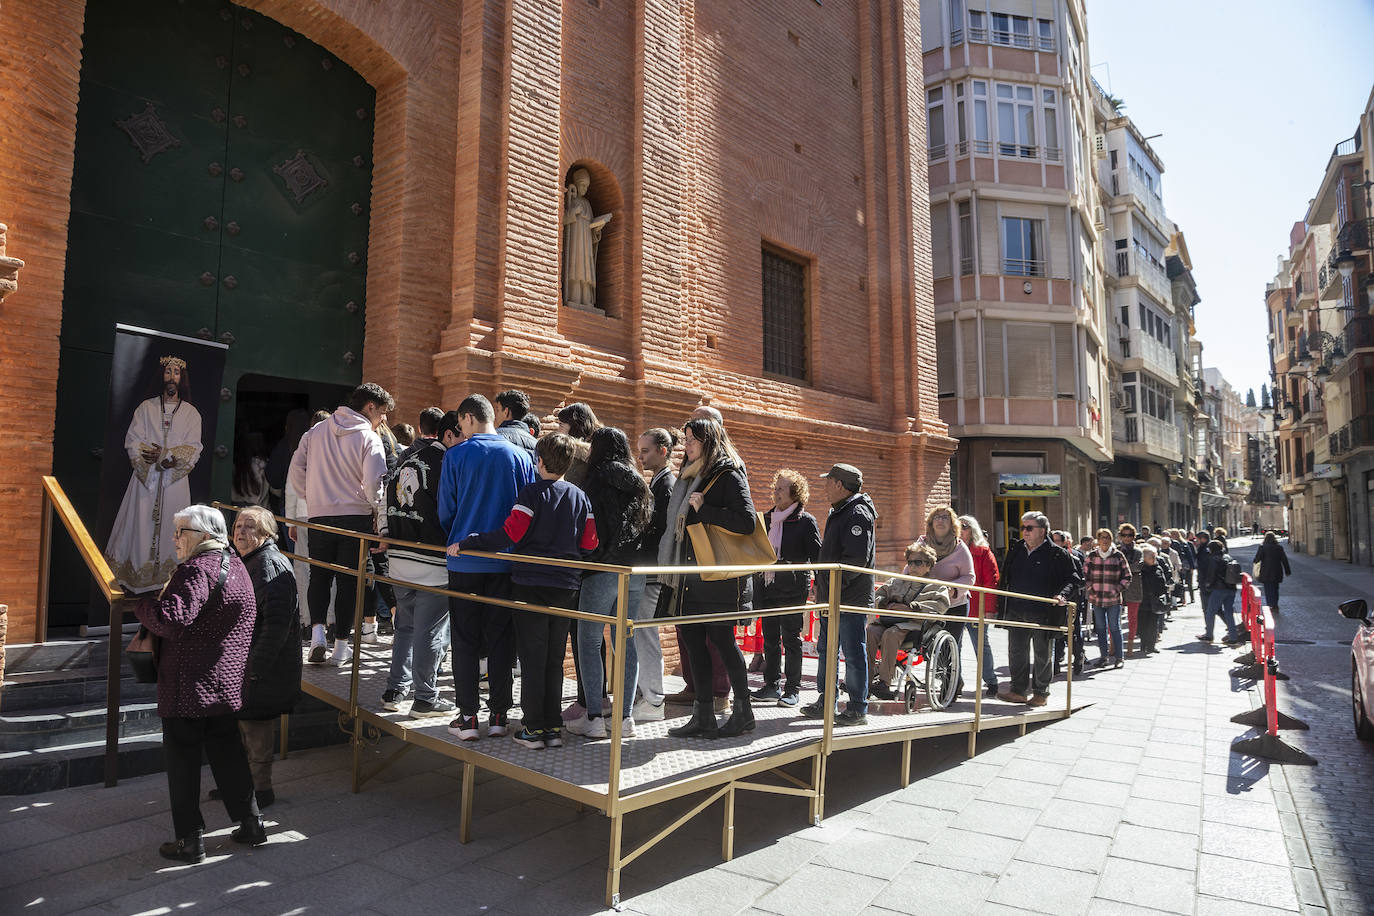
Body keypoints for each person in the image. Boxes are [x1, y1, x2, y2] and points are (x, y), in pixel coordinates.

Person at [134, 505, 267, 863]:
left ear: (205, 535)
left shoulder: (197, 569)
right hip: (225, 684)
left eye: (181, 531)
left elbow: (172, 619)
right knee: (228, 754)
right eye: (175, 531)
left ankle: (190, 841)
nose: (175, 539)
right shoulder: (236, 565)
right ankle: (252, 824)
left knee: (183, 762)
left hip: (189, 686)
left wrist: (141, 606)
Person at [456, 433, 597, 748]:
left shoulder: (531, 494)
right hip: (567, 585)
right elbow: (590, 543)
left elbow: (510, 534)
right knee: (554, 658)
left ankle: (533, 728)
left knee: (533, 657)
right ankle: (551, 727)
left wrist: (469, 542)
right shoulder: (580, 496)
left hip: (531, 584)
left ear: (540, 462)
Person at [439, 395, 537, 741]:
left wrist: (459, 533)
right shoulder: (523, 456)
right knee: (501, 638)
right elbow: (527, 512)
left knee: (464, 638)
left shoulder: (456, 455)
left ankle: (467, 717)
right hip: (506, 561)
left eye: (460, 423)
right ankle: (498, 714)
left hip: (464, 558)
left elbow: (446, 510)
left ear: (467, 418)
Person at [662, 417, 757, 739]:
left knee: (722, 642)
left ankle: (743, 712)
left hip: (718, 579)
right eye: (685, 439)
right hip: (693, 576)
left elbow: (746, 522)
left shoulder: (727, 474)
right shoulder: (691, 478)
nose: (685, 446)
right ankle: (702, 715)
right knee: (692, 641)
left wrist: (705, 509)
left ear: (709, 441)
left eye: (692, 440)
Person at [287, 383, 392, 667]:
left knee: (319, 575)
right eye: (382, 413)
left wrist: (310, 496)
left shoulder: (315, 432)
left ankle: (318, 633)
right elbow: (374, 482)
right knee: (349, 582)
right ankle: (342, 645)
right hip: (355, 517)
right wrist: (374, 504)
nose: (383, 420)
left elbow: (296, 468)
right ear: (370, 407)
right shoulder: (369, 438)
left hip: (319, 515)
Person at [568, 427, 653, 739]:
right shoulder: (639, 483)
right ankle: (625, 718)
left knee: (588, 640)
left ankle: (593, 717)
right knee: (625, 640)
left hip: (602, 568)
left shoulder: (594, 479)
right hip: (635, 572)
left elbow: (588, 525)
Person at [380, 410, 456, 719]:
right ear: (448, 435)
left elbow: (385, 498)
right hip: (432, 561)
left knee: (406, 629)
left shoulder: (406, 460)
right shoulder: (445, 464)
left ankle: (395, 689)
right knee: (430, 633)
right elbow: (451, 510)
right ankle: (425, 697)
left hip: (399, 559)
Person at [106, 356, 204, 593]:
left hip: (175, 484)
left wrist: (168, 456)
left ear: (183, 379)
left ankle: (168, 582)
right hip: (146, 482)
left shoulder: (191, 413)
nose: (172, 377)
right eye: (168, 372)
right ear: (161, 376)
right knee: (140, 524)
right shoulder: (146, 408)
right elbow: (133, 440)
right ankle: (136, 581)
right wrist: (152, 459)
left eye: (176, 373)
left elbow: (194, 447)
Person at [228, 506, 300, 809]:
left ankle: (260, 791)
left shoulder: (270, 565)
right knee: (241, 729)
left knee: (256, 731)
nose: (241, 532)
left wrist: (255, 667)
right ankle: (241, 787)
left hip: (263, 667)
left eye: (250, 527)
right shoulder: (247, 561)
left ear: (267, 533)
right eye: (238, 526)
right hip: (246, 663)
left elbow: (276, 625)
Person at [802, 463, 876, 726]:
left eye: (828, 481)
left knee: (853, 652)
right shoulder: (842, 510)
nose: (824, 487)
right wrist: (821, 586)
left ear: (839, 485)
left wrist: (832, 589)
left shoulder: (857, 513)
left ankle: (858, 707)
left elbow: (855, 560)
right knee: (826, 649)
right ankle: (827, 700)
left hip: (848, 598)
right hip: (832, 596)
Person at [751, 469, 821, 708]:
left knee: (791, 638)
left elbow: (817, 556)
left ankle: (792, 690)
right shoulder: (767, 519)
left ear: (795, 493)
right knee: (770, 638)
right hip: (768, 585)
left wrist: (820, 585)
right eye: (776, 487)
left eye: (781, 488)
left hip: (792, 586)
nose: (776, 492)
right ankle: (771, 686)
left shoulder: (805, 521)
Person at [996, 511, 1079, 706]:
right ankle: (1018, 691)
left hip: (1043, 612)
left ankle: (1041, 693)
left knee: (1042, 653)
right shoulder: (1016, 549)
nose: (1024, 531)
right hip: (1016, 608)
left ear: (1042, 531)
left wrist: (1062, 595)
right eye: (1023, 527)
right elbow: (1006, 576)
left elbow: (1073, 579)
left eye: (1029, 528)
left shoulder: (1057, 554)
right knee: (1016, 651)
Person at [631, 427, 677, 721]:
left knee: (645, 633)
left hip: (654, 571)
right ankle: (647, 695)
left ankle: (654, 699)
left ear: (663, 450)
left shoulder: (667, 485)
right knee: (640, 633)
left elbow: (660, 532)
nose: (640, 456)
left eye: (646, 451)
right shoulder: (659, 483)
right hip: (650, 570)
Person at [866, 544, 950, 699]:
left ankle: (884, 682)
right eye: (910, 562)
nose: (913, 566)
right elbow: (876, 596)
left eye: (918, 562)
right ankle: (865, 680)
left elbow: (941, 606)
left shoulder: (937, 586)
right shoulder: (897, 581)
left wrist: (913, 608)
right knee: (870, 631)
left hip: (914, 625)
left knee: (890, 635)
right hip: (889, 620)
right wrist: (888, 604)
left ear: (928, 565)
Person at [916, 507, 975, 692]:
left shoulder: (960, 547)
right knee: (929, 646)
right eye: (937, 517)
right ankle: (955, 680)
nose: (940, 521)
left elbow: (969, 577)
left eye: (945, 518)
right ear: (931, 523)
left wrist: (953, 588)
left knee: (950, 646)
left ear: (952, 524)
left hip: (955, 604)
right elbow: (909, 567)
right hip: (930, 602)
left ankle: (950, 687)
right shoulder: (922, 543)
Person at [958, 515, 1000, 698]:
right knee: (953, 646)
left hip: (977, 607)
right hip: (957, 606)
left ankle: (991, 681)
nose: (960, 529)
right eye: (957, 525)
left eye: (964, 526)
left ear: (972, 529)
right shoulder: (952, 550)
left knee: (981, 646)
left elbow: (992, 583)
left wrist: (990, 609)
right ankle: (954, 682)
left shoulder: (983, 552)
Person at [1085, 528, 1131, 668]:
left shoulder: (1118, 555)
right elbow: (1085, 575)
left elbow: (1127, 576)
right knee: (1100, 628)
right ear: (1098, 540)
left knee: (1115, 627)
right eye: (1102, 537)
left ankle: (1119, 658)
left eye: (1108, 537)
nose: (1105, 540)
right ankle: (1103, 657)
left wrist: (1117, 589)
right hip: (1097, 599)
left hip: (1114, 600)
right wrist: (1090, 588)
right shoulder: (1092, 556)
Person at [1050, 530, 1086, 677]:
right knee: (1056, 633)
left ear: (1064, 542)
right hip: (1054, 602)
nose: (1054, 543)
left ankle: (1078, 657)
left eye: (1057, 540)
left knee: (1072, 633)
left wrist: (1068, 595)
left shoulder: (1073, 559)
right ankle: (1056, 664)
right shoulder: (1049, 558)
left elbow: (1079, 581)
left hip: (1070, 601)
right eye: (1053, 540)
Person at [1199, 540, 1243, 646]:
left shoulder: (1213, 559)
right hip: (1231, 588)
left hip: (1219, 589)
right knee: (1229, 612)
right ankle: (1233, 637)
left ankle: (1209, 635)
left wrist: (1208, 586)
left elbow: (1211, 574)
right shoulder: (1228, 557)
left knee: (1210, 612)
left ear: (1211, 549)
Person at [1136, 544, 1170, 654]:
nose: (1154, 559)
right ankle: (1143, 644)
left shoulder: (1158, 568)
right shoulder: (1140, 570)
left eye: (1154, 557)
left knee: (1153, 624)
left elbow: (1163, 583)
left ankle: (1151, 646)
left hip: (1155, 601)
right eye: (1152, 557)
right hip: (1143, 601)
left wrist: (1164, 594)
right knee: (1143, 624)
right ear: (1145, 558)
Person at [1116, 524, 1144, 657]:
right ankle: (1113, 646)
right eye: (1124, 535)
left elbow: (1139, 567)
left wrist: (1123, 567)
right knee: (1114, 618)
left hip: (1134, 587)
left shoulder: (1139, 551)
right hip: (1117, 588)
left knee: (1132, 618)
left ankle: (1130, 647)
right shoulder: (1115, 550)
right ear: (1120, 536)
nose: (1127, 538)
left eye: (1130, 535)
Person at [1253, 531, 1292, 611]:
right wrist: (1287, 571)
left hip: (1266, 571)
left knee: (1268, 588)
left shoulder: (1262, 547)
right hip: (1277, 571)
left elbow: (1256, 559)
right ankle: (1275, 604)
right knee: (1275, 588)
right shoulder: (1279, 547)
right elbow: (1284, 560)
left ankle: (1270, 604)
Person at [494, 389, 538, 458]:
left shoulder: (495, 437)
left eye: (498, 410)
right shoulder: (536, 444)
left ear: (506, 412)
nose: (495, 415)